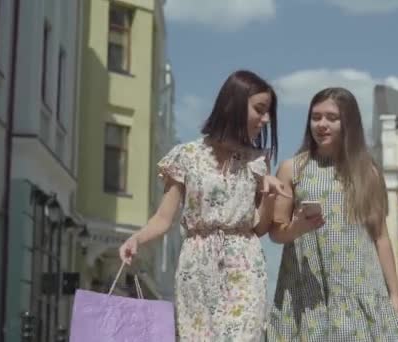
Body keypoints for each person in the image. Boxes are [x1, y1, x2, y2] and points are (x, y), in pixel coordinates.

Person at [118, 70, 290, 341]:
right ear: (234, 104)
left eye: (268, 112)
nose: (265, 119)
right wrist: (136, 239)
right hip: (196, 265)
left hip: (244, 265)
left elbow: (258, 228)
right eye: (259, 109)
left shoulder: (258, 160)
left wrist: (268, 197)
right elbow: (164, 218)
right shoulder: (187, 156)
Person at [267, 87, 398, 341]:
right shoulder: (292, 170)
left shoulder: (367, 172)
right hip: (307, 289)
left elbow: (381, 238)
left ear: (349, 122)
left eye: (332, 118)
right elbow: (276, 233)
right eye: (316, 117)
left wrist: (395, 295)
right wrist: (297, 227)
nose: (321, 124)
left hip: (359, 285)